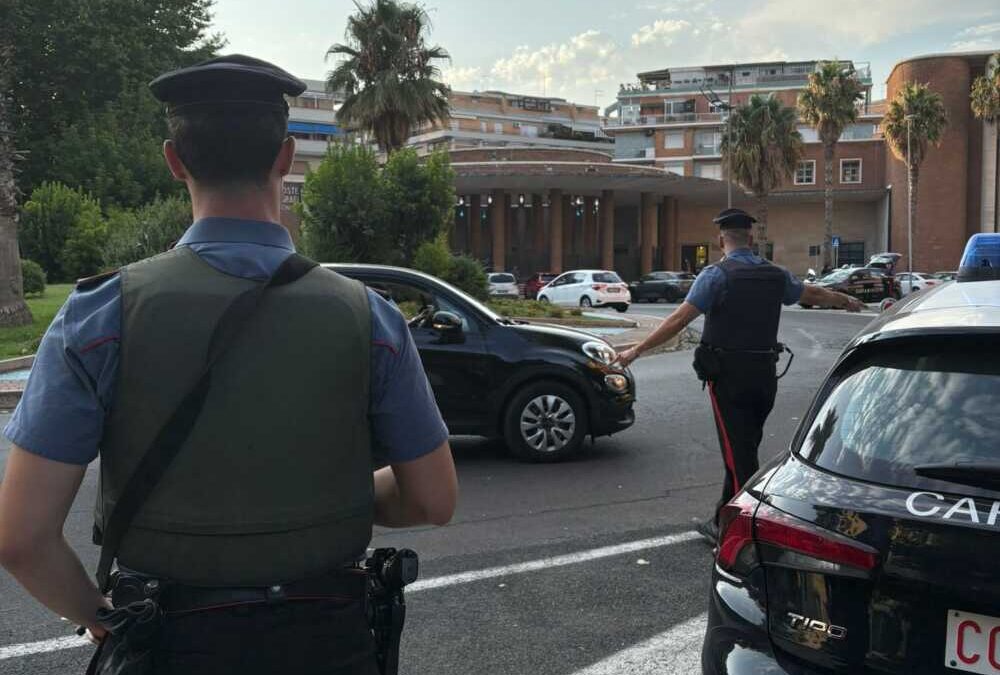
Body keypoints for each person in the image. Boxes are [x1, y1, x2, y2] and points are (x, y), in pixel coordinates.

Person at [0, 54, 458, 674]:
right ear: (286, 157)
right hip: (328, 642)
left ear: (174, 161)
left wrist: (106, 622)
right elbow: (432, 498)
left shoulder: (101, 315)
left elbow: (22, 538)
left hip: (169, 645)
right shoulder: (368, 317)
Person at [615, 208, 861, 543]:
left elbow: (677, 320)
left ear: (720, 240)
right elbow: (813, 294)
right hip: (765, 377)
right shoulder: (777, 275)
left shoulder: (717, 276)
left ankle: (749, 535)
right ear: (750, 238)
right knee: (742, 449)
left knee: (741, 458)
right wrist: (845, 299)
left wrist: (635, 351)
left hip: (729, 378)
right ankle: (722, 518)